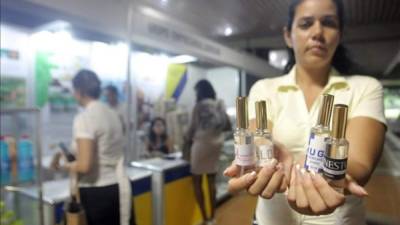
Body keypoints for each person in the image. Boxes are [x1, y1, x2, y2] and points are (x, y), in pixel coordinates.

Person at [224, 0, 386, 224]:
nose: (318, 32)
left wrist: (305, 166)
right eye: (306, 23)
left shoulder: (365, 87)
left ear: (339, 35)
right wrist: (260, 153)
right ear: (288, 36)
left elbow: (359, 163)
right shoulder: (265, 88)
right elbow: (257, 135)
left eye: (328, 23)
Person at [51, 69, 134, 225]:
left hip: (97, 193)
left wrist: (63, 166)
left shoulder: (85, 118)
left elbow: (84, 166)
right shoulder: (112, 114)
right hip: (118, 188)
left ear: (79, 91)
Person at [187, 79, 231, 225]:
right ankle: (213, 216)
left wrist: (185, 140)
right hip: (215, 145)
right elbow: (226, 125)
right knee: (211, 181)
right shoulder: (219, 104)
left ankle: (205, 218)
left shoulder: (198, 107)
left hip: (201, 146)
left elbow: (192, 127)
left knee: (197, 181)